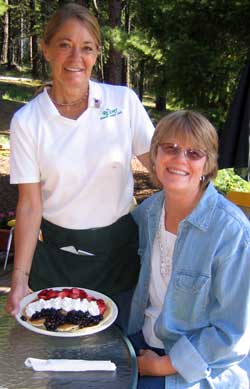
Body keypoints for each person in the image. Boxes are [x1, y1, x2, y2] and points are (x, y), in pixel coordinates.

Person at [6, 3, 154, 317]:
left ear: (97, 53)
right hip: (57, 257)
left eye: (86, 48)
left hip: (120, 255)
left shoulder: (123, 102)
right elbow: (30, 205)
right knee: (55, 350)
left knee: (116, 354)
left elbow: (162, 169)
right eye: (65, 45)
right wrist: (19, 278)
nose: (76, 58)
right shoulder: (28, 121)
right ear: (46, 50)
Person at [127, 110, 250, 388]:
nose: (180, 159)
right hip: (142, 341)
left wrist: (163, 366)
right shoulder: (147, 213)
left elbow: (233, 333)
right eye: (170, 148)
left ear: (208, 164)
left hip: (200, 367)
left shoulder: (231, 232)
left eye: (194, 153)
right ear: (155, 154)